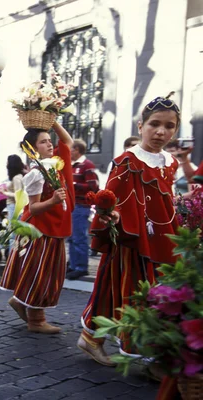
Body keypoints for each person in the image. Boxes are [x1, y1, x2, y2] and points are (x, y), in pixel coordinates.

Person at [78, 94, 180, 367]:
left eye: (169, 126)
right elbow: (110, 198)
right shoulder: (126, 161)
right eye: (154, 124)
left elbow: (167, 198)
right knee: (125, 291)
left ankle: (152, 354)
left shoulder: (170, 161)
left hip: (164, 239)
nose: (161, 131)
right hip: (131, 240)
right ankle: (94, 339)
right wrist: (109, 217)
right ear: (140, 125)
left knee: (157, 293)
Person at [0, 122, 74, 334]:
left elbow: (67, 142)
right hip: (42, 231)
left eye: (50, 141)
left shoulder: (54, 164)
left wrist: (53, 123)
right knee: (41, 274)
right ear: (33, 149)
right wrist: (52, 201)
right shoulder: (36, 173)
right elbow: (33, 207)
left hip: (53, 228)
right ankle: (36, 320)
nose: (50, 145)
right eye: (44, 142)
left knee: (47, 273)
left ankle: (20, 302)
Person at [66, 139, 99, 280]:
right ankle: (73, 265)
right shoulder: (72, 166)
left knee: (79, 237)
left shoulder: (87, 165)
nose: (69, 152)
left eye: (71, 149)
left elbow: (94, 187)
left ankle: (81, 267)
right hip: (72, 206)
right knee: (72, 238)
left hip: (81, 206)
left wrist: (74, 185)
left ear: (77, 150)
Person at [0, 154, 26, 255]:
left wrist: (5, 193)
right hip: (16, 207)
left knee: (13, 236)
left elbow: (18, 195)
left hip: (14, 207)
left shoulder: (16, 178)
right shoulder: (19, 176)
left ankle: (12, 258)